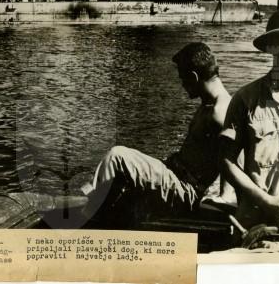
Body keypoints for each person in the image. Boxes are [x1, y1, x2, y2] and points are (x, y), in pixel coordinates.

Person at [83, 42, 231, 227]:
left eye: (182, 79)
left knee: (117, 157)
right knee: (123, 178)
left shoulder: (219, 112)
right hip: (175, 177)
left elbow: (232, 158)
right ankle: (95, 206)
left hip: (184, 191)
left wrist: (224, 196)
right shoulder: (210, 104)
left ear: (194, 77)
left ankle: (85, 215)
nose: (182, 85)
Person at [220, 7, 279, 247]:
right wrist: (267, 202)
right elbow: (225, 160)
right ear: (270, 49)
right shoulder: (245, 99)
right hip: (255, 223)